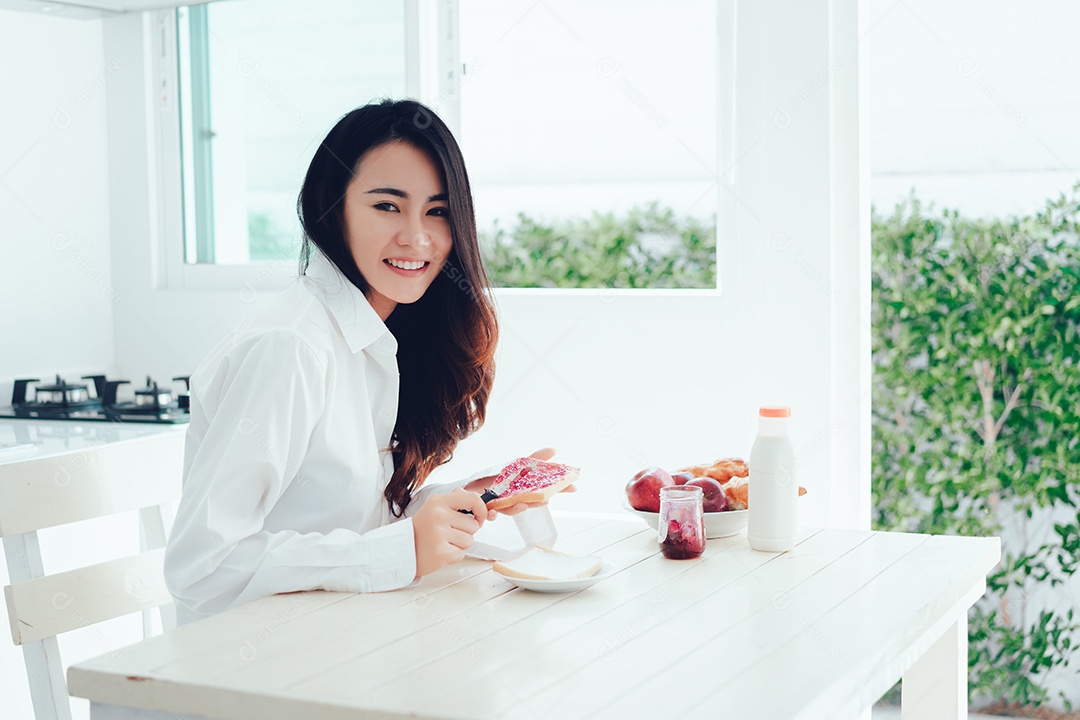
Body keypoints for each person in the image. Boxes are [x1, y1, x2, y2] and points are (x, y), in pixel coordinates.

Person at [164, 99, 571, 625]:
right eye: (387, 206)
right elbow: (202, 567)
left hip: (342, 634)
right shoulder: (290, 347)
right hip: (252, 670)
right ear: (332, 208)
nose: (416, 237)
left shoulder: (376, 331)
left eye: (438, 211)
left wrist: (463, 500)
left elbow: (342, 522)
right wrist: (402, 551)